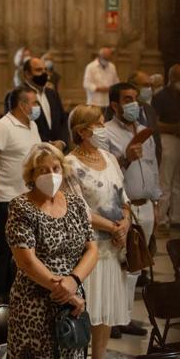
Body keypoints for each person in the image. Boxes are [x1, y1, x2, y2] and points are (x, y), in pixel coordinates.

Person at [6, 143, 98, 358]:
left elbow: (92, 249)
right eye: (43, 170)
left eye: (55, 168)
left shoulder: (76, 203)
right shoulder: (21, 207)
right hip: (35, 301)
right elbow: (26, 261)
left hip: (73, 299)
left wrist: (73, 282)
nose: (51, 174)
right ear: (32, 174)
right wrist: (63, 290)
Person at [65, 105, 131, 359]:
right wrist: (113, 227)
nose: (104, 129)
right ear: (83, 131)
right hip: (88, 250)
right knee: (87, 310)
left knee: (106, 311)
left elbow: (122, 197)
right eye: (100, 124)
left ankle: (99, 357)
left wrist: (124, 221)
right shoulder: (70, 164)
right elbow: (78, 209)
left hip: (115, 248)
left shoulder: (109, 157)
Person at [106, 82, 160, 338]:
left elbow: (153, 168)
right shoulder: (106, 133)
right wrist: (127, 157)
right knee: (119, 265)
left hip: (146, 205)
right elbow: (107, 173)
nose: (134, 104)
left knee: (136, 267)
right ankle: (111, 319)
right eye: (127, 99)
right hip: (121, 207)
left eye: (135, 99)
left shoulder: (144, 131)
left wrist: (156, 202)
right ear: (115, 105)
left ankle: (126, 317)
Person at [0, 86, 42, 303]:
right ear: (22, 104)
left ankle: (14, 290)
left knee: (24, 246)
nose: (37, 107)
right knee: (3, 247)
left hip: (28, 195)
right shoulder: (3, 127)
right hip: (6, 195)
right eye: (34, 103)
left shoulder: (32, 125)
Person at [5, 57, 67, 145]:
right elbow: (15, 126)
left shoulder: (52, 93)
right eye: (38, 70)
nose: (44, 73)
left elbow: (62, 120)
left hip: (56, 150)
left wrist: (61, 142)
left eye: (45, 70)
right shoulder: (16, 95)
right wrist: (46, 144)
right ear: (27, 74)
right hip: (32, 148)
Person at [152, 64, 180, 236]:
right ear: (172, 78)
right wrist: (174, 127)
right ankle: (162, 219)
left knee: (178, 182)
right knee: (166, 180)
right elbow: (155, 123)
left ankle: (176, 217)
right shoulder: (161, 96)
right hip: (168, 139)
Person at [128, 70, 162, 164]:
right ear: (133, 85)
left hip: (149, 164)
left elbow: (156, 140)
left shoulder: (149, 110)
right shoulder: (120, 110)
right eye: (146, 85)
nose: (149, 89)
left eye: (151, 85)